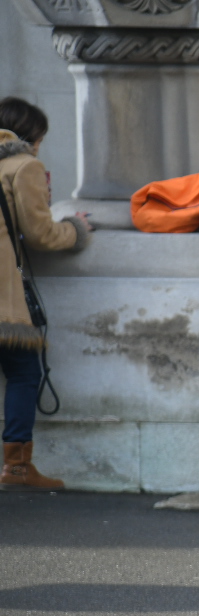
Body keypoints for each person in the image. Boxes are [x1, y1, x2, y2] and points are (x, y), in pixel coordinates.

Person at [0, 97, 89, 492]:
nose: (39, 147)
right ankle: (17, 469)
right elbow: (41, 234)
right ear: (29, 135)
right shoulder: (24, 166)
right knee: (23, 372)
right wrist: (76, 228)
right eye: (40, 139)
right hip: (2, 298)